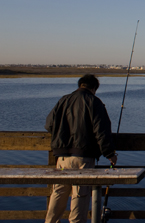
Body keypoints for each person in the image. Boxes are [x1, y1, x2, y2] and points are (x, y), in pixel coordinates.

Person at [44, 74, 118, 223]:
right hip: (83, 158)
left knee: (59, 192)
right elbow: (102, 131)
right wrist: (110, 154)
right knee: (80, 195)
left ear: (80, 85)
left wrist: (62, 138)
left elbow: (49, 125)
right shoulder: (94, 102)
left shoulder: (63, 100)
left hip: (62, 158)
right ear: (94, 88)